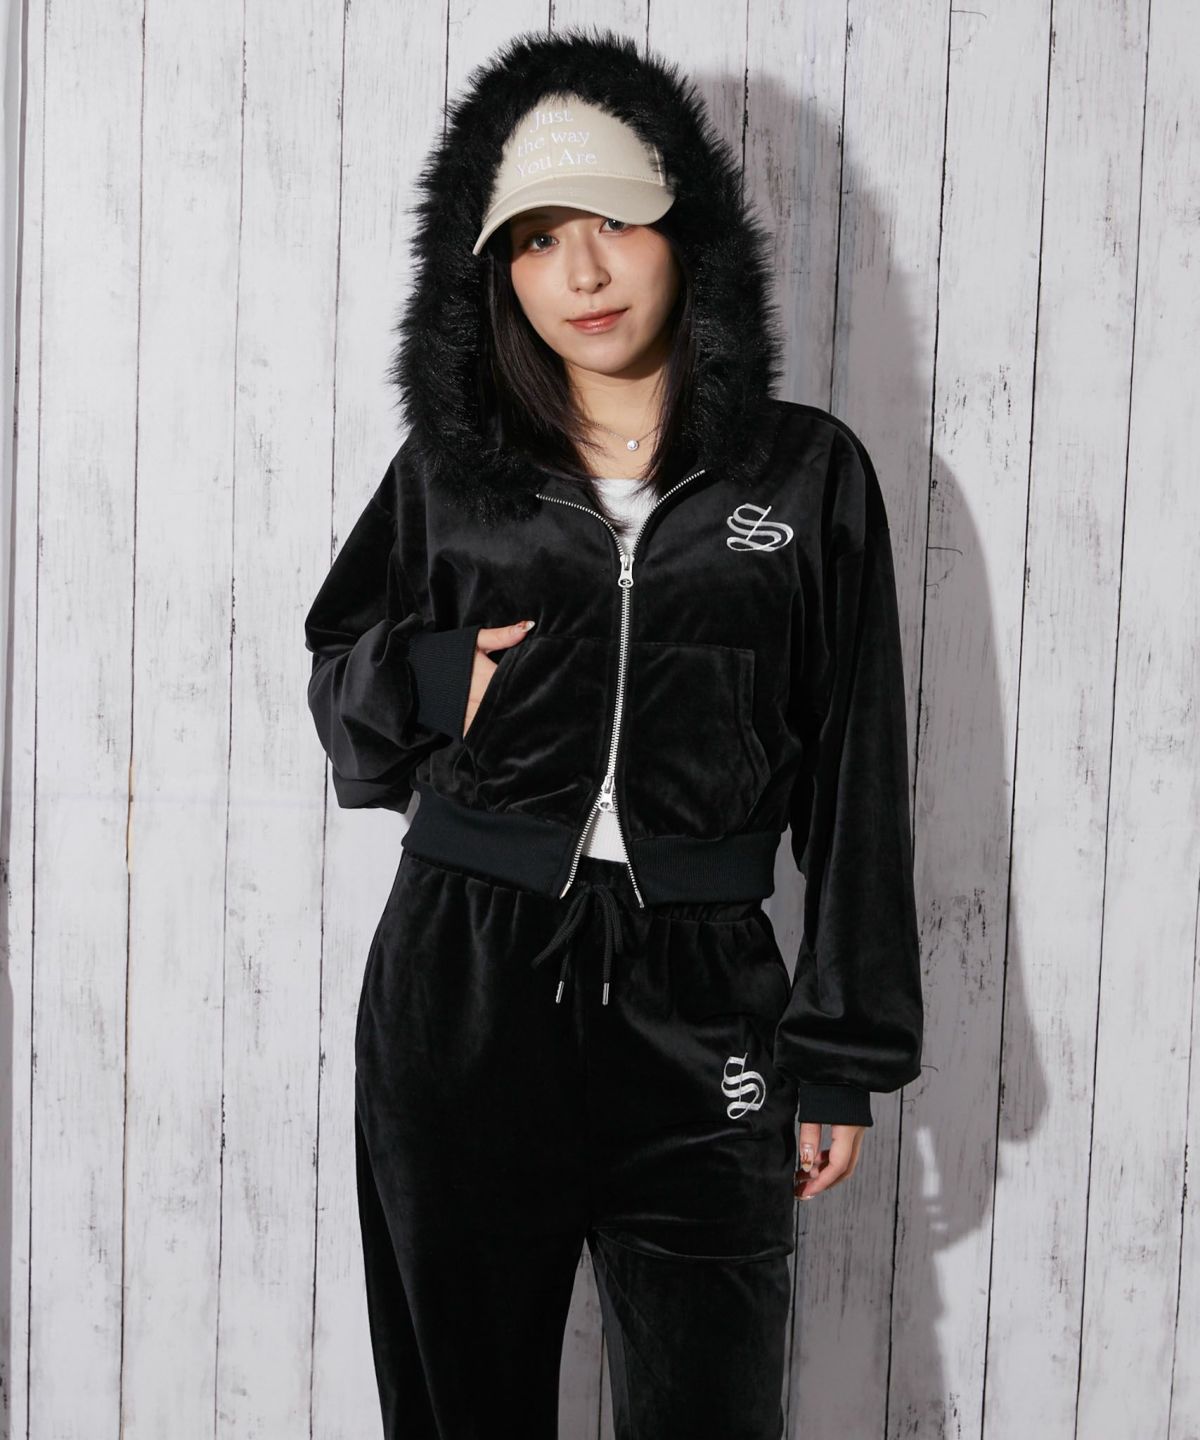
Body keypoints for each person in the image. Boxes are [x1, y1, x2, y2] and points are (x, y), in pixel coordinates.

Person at [303, 26, 923, 1440]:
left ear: (684, 235)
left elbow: (858, 773)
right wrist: (431, 680)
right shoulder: (454, 475)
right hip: (463, 991)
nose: (580, 274)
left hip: (704, 1006)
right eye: (536, 240)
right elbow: (341, 687)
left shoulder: (805, 476)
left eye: (614, 225)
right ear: (493, 273)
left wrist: (842, 1050)